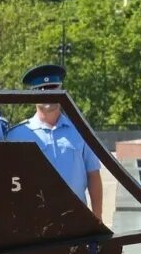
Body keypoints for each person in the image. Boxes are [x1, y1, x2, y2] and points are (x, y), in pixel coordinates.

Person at [6, 65, 104, 219]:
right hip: (34, 221)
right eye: (42, 88)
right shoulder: (17, 135)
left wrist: (97, 218)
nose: (48, 93)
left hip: (75, 219)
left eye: (52, 87)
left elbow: (93, 174)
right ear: (32, 94)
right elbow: (8, 182)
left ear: (61, 89)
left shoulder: (81, 131)